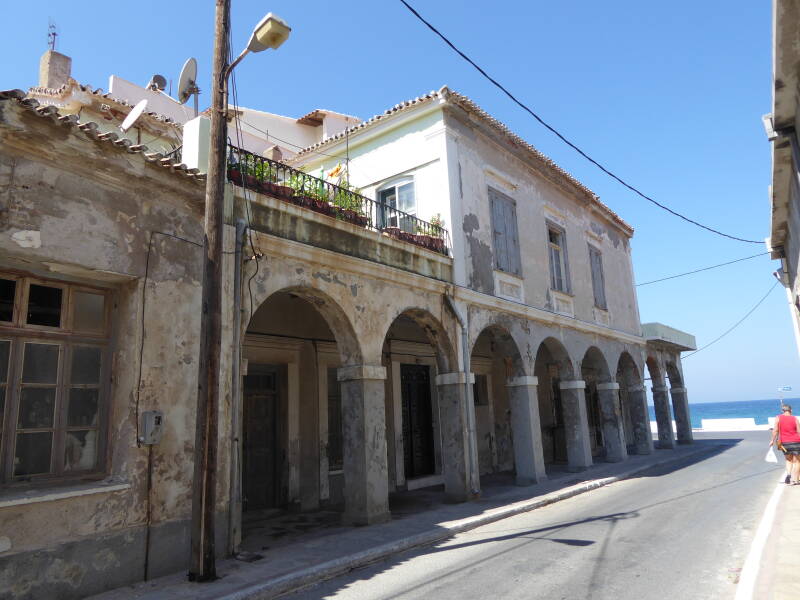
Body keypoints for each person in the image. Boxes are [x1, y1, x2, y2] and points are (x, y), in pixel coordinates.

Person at [769, 404, 800, 484]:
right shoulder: (795, 418)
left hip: (785, 443)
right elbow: (799, 431)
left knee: (788, 460)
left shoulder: (778, 418)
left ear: (782, 410)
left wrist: (772, 440)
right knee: (797, 461)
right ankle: (796, 480)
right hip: (796, 442)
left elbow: (775, 430)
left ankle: (789, 476)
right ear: (791, 410)